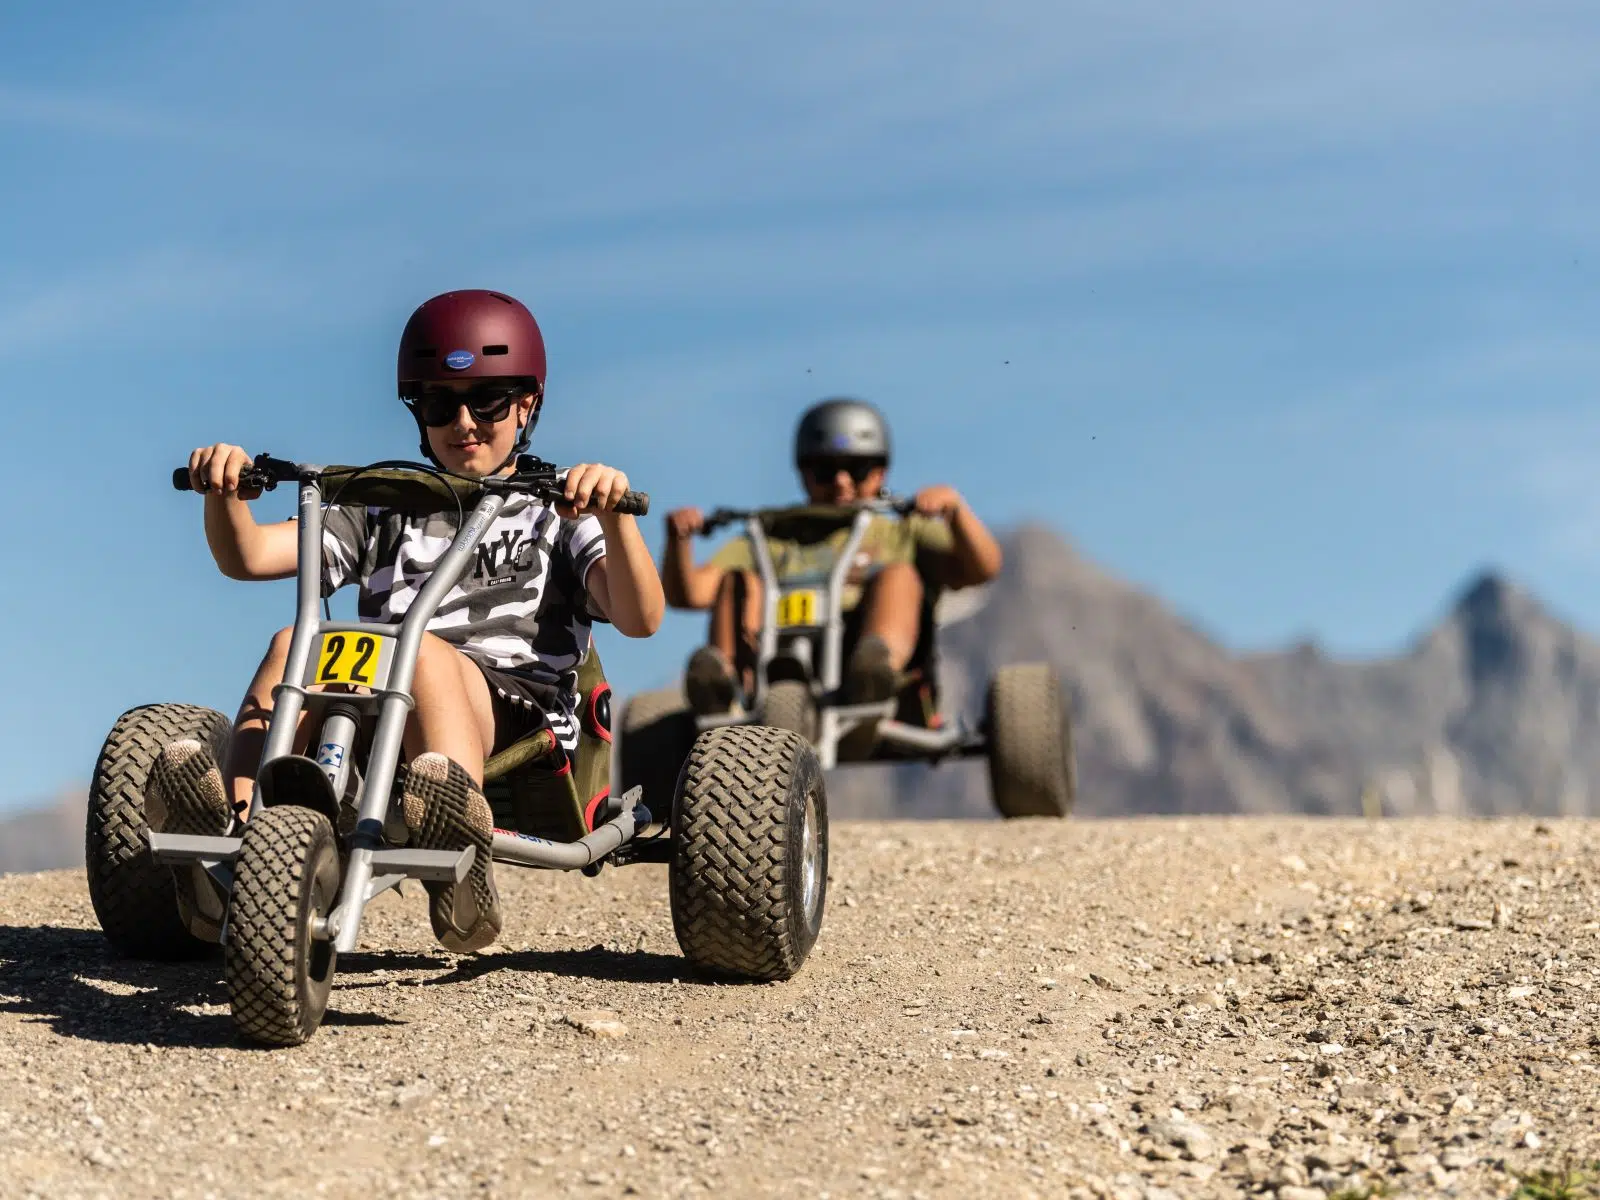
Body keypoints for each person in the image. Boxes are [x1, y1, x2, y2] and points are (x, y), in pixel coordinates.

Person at [149, 289, 665, 953]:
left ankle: (459, 848)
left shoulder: (556, 513)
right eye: (438, 404)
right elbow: (248, 557)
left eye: (488, 402)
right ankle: (234, 829)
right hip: (372, 706)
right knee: (292, 644)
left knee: (420, 653)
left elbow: (641, 617)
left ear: (527, 404)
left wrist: (613, 517)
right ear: (416, 413)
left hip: (511, 713)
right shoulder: (386, 508)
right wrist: (224, 496)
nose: (463, 422)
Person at [661, 397, 1001, 719]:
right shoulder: (772, 535)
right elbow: (690, 594)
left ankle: (875, 672)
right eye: (825, 470)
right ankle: (723, 686)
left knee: (898, 575)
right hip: (770, 669)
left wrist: (956, 513)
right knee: (737, 582)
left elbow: (982, 569)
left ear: (880, 473)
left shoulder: (900, 531)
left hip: (868, 667)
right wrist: (679, 542)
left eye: (858, 469)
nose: (841, 483)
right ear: (804, 472)